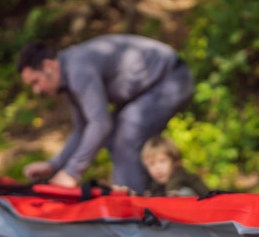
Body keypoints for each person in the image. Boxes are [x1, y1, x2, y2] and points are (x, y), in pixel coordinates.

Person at [16, 34, 195, 193]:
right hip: (149, 89)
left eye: (35, 82)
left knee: (125, 134)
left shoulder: (78, 69)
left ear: (48, 66)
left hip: (171, 78)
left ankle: (133, 212)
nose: (37, 90)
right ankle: (151, 196)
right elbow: (82, 128)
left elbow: (100, 123)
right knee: (116, 138)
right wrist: (53, 165)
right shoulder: (68, 79)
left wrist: (72, 172)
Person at [141, 135, 209, 197]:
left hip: (200, 204)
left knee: (184, 192)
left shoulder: (182, 176)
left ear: (174, 162)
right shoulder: (156, 186)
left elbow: (175, 183)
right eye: (152, 164)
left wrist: (172, 192)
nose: (157, 168)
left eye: (162, 161)